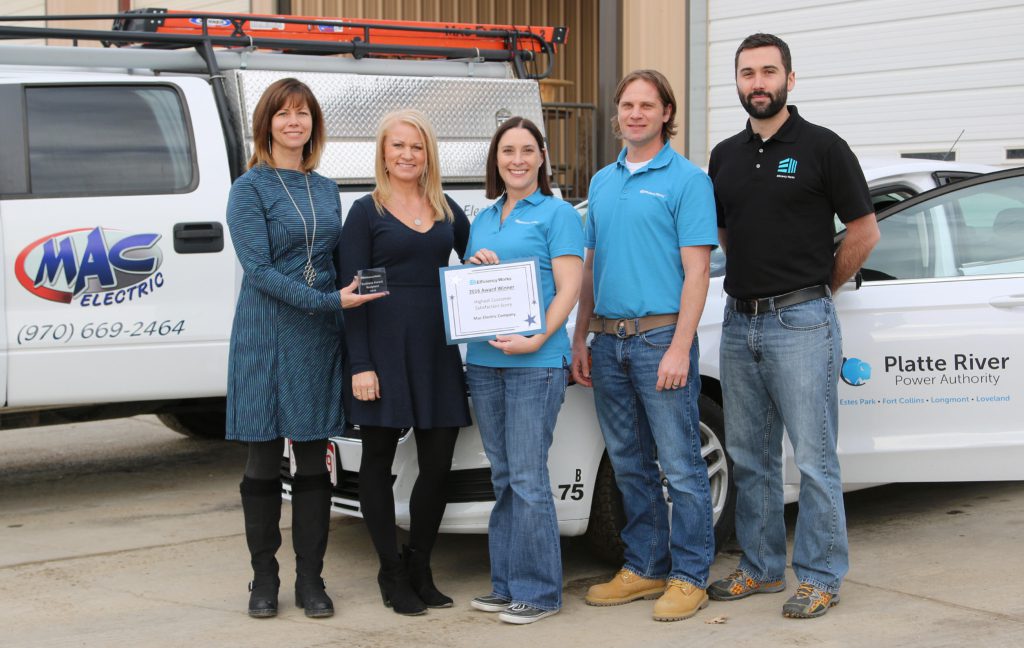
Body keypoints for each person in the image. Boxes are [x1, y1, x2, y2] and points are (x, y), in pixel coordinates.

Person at [706, 33, 880, 619]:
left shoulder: (823, 147)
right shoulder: (725, 155)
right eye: (747, 73)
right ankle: (759, 568)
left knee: (814, 458)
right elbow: (728, 233)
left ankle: (822, 574)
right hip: (739, 321)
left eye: (768, 71)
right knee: (749, 455)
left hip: (802, 321)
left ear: (790, 79)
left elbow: (863, 231)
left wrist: (816, 290)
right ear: (737, 82)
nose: (758, 82)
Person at [227, 78, 384, 619]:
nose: (294, 122)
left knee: (316, 459)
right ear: (266, 122)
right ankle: (263, 579)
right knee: (265, 458)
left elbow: (345, 257)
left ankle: (311, 580)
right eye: (283, 113)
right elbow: (260, 272)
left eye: (303, 114)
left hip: (318, 337)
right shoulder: (248, 188)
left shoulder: (325, 188)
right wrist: (330, 302)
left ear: (314, 124)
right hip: (266, 334)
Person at [571, 69, 719, 622]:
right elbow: (590, 267)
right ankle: (645, 565)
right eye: (627, 104)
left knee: (681, 465)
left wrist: (681, 346)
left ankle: (689, 576)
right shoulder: (602, 182)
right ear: (617, 113)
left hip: (661, 339)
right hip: (608, 342)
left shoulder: (687, 180)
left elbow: (697, 271)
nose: (635, 113)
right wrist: (581, 334)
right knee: (630, 463)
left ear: (665, 114)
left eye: (646, 105)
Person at [340, 109, 472, 616]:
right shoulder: (366, 212)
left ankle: (420, 565)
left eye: (416, 147)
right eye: (397, 146)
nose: (407, 155)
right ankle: (390, 571)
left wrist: (483, 260)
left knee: (437, 464)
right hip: (384, 351)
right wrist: (361, 365)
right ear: (383, 152)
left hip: (437, 351)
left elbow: (478, 253)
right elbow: (355, 297)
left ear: (428, 154)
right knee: (378, 462)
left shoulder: (445, 207)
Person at [464, 116, 584, 625]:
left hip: (536, 362)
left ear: (541, 157)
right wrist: (477, 270)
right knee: (505, 474)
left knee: (530, 476)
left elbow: (569, 288)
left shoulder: (558, 215)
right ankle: (507, 583)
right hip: (486, 362)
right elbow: (471, 290)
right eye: (507, 151)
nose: (517, 159)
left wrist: (537, 338)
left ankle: (539, 593)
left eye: (526, 150)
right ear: (496, 159)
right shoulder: (483, 218)